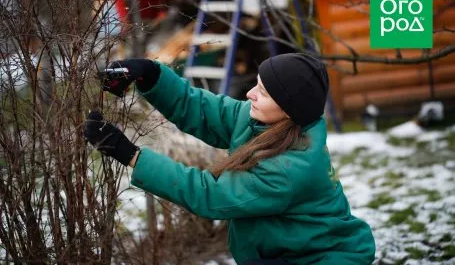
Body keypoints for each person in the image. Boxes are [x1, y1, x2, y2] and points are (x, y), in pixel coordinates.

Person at [84, 53, 375, 265]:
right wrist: (150, 73)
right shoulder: (267, 123)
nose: (250, 94)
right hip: (290, 254)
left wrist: (131, 156)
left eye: (262, 91)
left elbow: (211, 194)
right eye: (257, 85)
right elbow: (200, 107)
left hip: (323, 259)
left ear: (288, 109)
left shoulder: (290, 167)